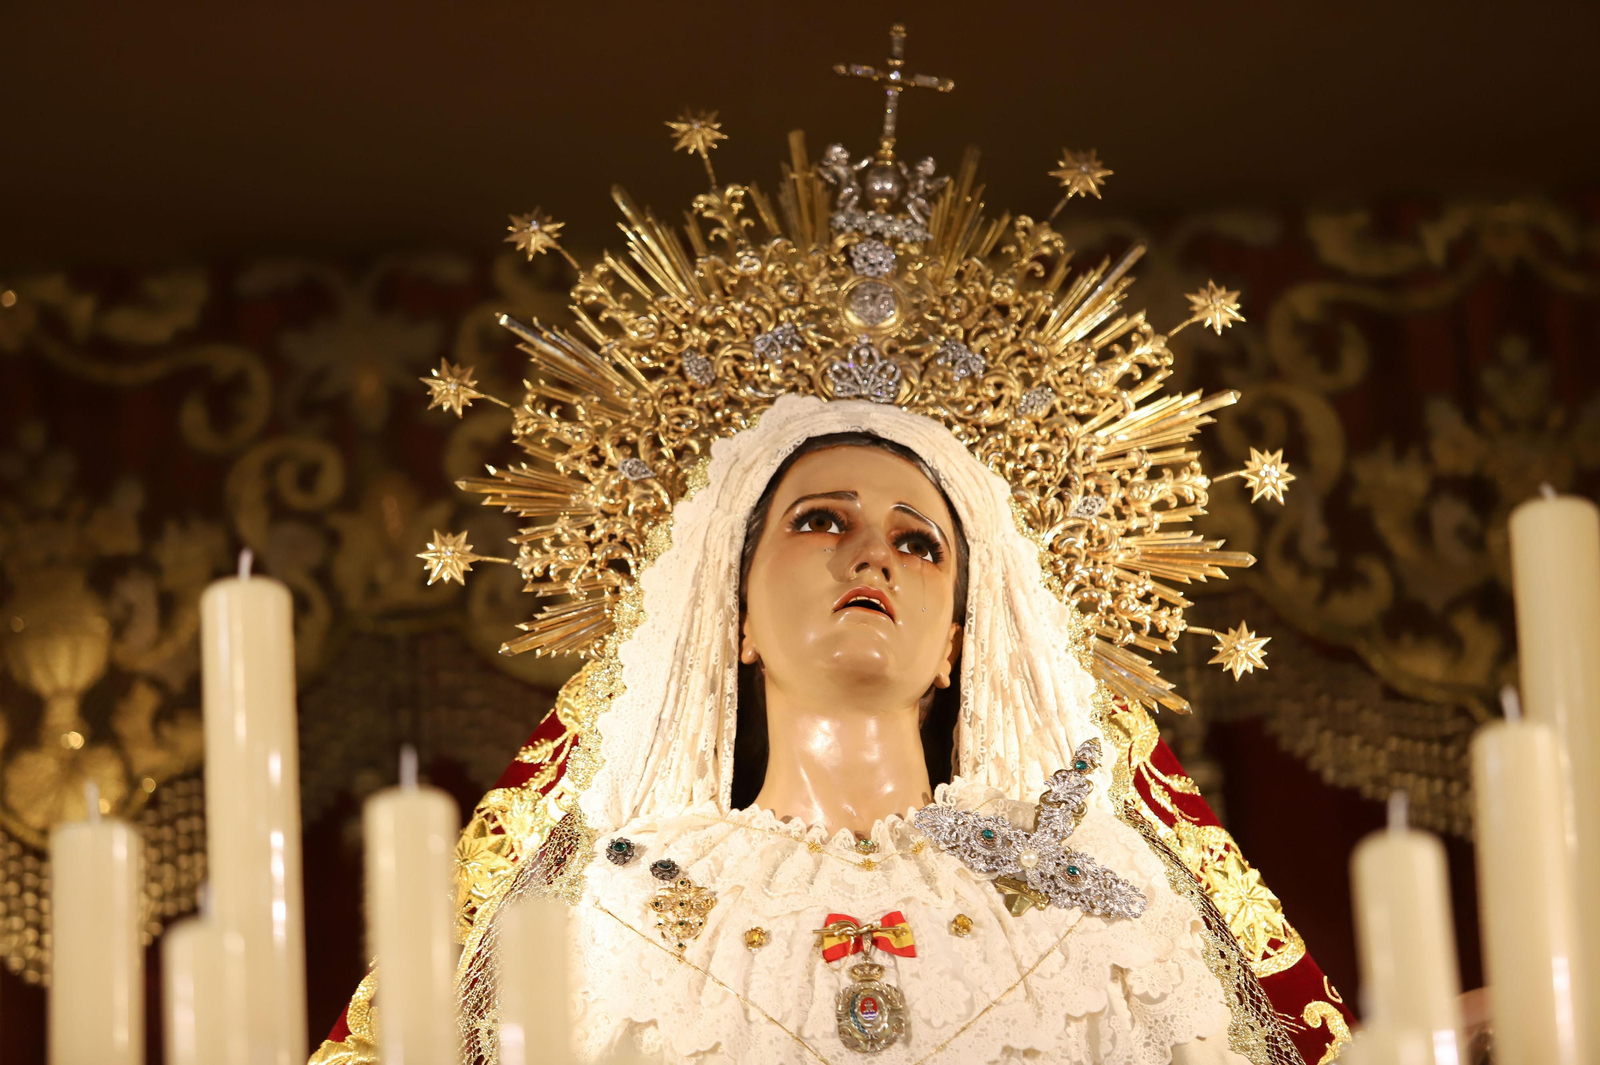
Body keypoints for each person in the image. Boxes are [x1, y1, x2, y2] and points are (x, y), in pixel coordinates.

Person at [313, 34, 1351, 1064]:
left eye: (920, 542)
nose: (875, 556)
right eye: (821, 520)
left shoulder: (1098, 904)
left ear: (957, 643)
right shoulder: (618, 909)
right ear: (730, 619)